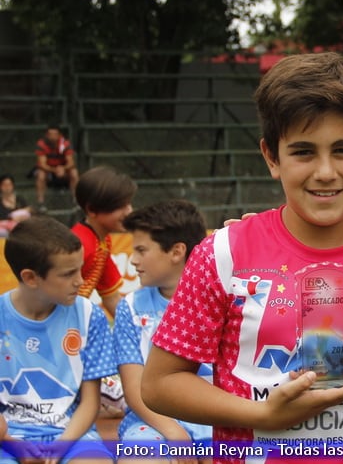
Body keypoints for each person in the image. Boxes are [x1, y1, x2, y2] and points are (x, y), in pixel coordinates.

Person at [141, 52, 343, 463]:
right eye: (303, 152)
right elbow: (158, 384)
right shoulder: (221, 254)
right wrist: (262, 414)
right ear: (272, 157)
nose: (325, 171)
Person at [0, 216, 115, 463]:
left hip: (74, 436)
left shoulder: (89, 315)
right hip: (6, 437)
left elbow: (90, 402)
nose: (81, 281)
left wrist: (61, 446)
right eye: (68, 274)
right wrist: (12, 445)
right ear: (30, 277)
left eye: (80, 269)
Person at [113, 199, 212, 463]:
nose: (133, 260)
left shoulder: (223, 297)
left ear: (177, 251)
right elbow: (134, 390)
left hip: (217, 419)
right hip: (153, 423)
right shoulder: (130, 307)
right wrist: (173, 431)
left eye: (141, 250)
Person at [71, 165, 137, 320]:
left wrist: (134, 332)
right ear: (92, 210)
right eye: (120, 206)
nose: (128, 211)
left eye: (128, 204)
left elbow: (111, 297)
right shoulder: (79, 246)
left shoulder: (102, 240)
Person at [30, 124, 80, 207]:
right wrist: (55, 170)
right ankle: (41, 202)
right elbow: (42, 164)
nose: (52, 137)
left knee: (74, 173)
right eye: (50, 134)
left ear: (60, 135)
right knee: (40, 175)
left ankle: (76, 200)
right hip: (49, 170)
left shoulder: (65, 144)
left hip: (63, 169)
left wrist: (63, 168)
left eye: (55, 135)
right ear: (46, 135)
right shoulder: (41, 144)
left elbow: (71, 162)